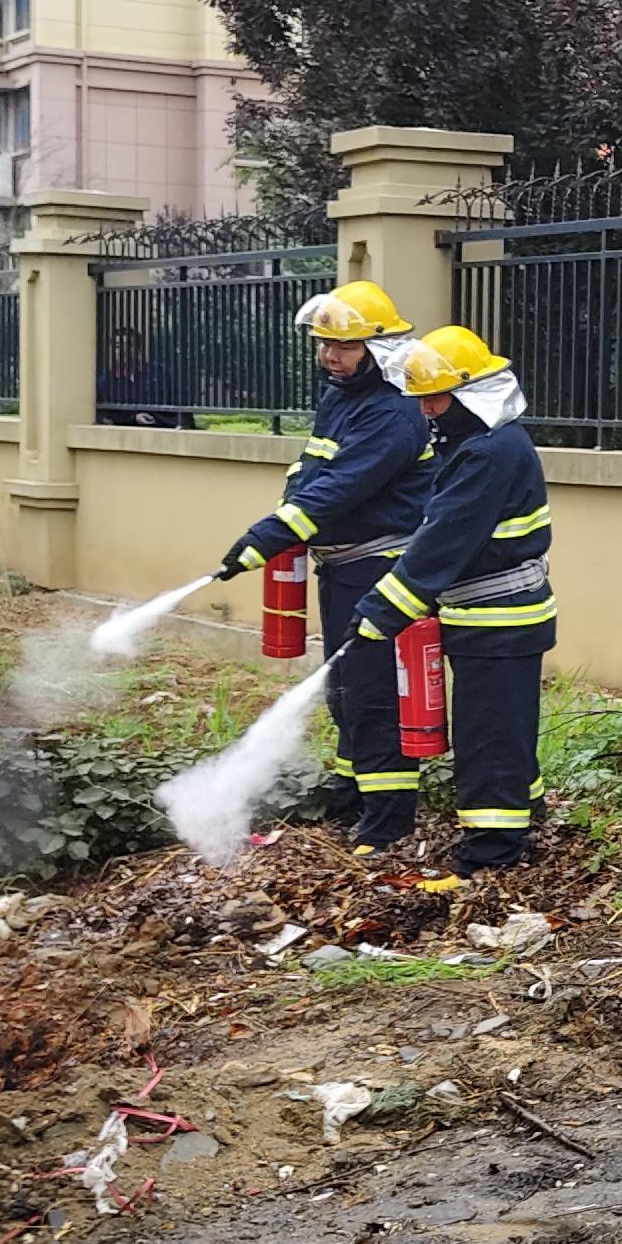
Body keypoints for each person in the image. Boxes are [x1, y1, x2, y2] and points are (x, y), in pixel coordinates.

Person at [217, 281, 430, 843]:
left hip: (377, 567)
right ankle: (353, 793)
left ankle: (387, 821)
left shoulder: (393, 413)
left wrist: (270, 533)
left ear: (377, 348)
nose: (330, 356)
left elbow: (341, 487)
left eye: (344, 346)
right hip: (340, 566)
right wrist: (284, 519)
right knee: (343, 686)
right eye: (323, 344)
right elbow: (312, 471)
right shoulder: (342, 394)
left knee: (371, 689)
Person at [365, 324, 555, 875]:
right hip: (490, 618)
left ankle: (490, 857)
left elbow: (443, 541)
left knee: (488, 737)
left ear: (468, 393)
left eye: (434, 397)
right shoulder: (477, 442)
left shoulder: (489, 454)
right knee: (505, 726)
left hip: (501, 620)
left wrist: (382, 610)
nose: (425, 409)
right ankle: (529, 812)